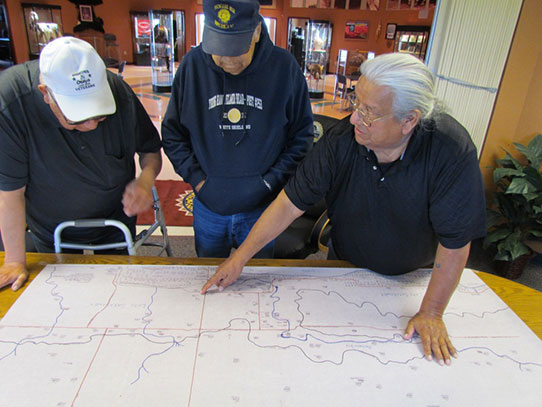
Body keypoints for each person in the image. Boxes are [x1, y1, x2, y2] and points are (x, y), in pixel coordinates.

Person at [201, 53, 487, 366]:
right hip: (345, 265)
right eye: (356, 103)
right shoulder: (342, 141)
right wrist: (240, 258)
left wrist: (431, 311)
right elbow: (288, 204)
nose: (353, 119)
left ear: (409, 120)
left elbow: (456, 242)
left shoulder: (450, 150)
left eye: (369, 113)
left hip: (413, 276)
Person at [0, 37, 162, 291]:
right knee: (60, 294)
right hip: (51, 229)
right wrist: (14, 260)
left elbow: (151, 150)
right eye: (77, 119)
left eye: (99, 115)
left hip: (116, 222)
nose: (91, 125)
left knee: (117, 291)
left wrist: (144, 179)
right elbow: (10, 194)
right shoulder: (10, 103)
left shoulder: (118, 91)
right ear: (46, 94)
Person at [161, 0, 313, 258]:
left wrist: (269, 182)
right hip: (208, 206)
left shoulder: (284, 67)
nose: (225, 59)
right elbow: (173, 133)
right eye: (218, 47)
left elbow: (302, 137)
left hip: (263, 210)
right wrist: (198, 180)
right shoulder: (193, 65)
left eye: (235, 48)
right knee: (209, 280)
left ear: (255, 31)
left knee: (257, 285)